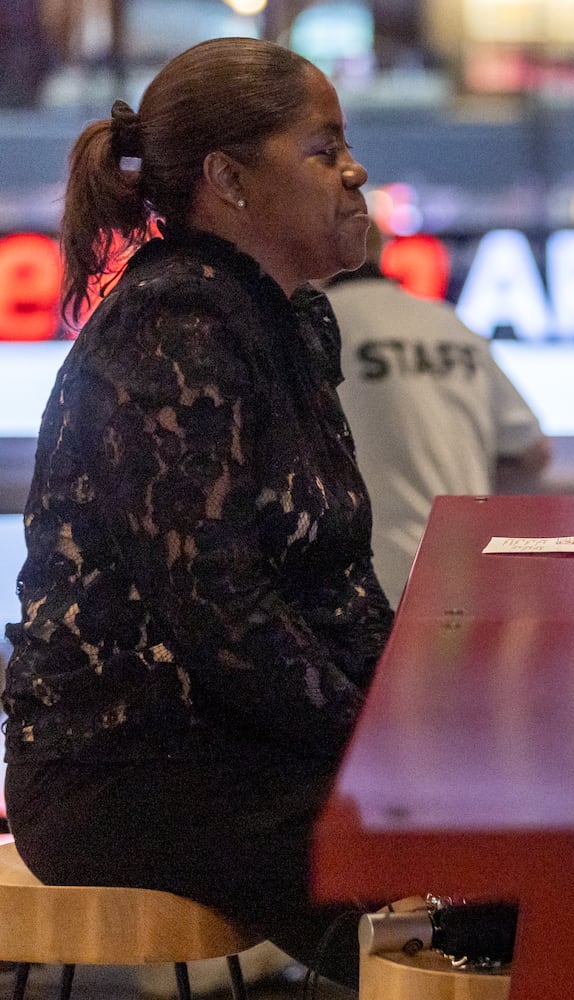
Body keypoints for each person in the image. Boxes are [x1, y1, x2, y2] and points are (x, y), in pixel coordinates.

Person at [2, 37, 393, 989]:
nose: (356, 170)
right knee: (487, 888)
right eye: (322, 147)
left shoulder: (288, 316)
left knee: (508, 845)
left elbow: (331, 582)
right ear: (229, 179)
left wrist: (425, 720)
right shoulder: (174, 325)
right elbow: (218, 609)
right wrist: (385, 745)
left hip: (241, 749)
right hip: (131, 771)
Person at [324, 225, 549, 602]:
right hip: (469, 567)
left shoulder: (319, 325)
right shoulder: (450, 324)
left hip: (373, 579)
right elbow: (532, 449)